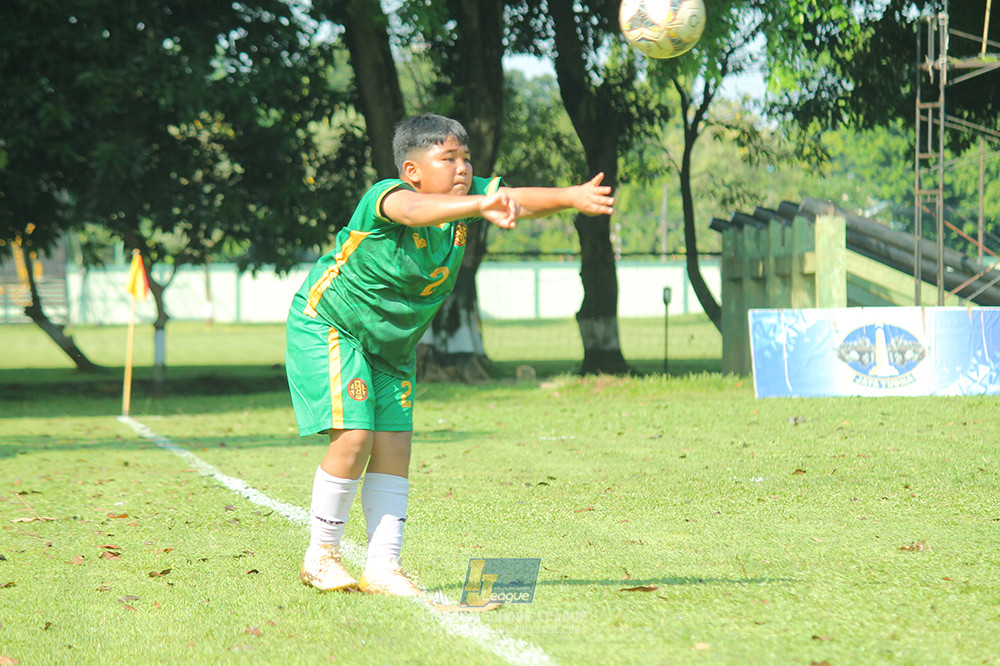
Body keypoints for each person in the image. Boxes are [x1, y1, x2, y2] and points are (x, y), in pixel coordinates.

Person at [286, 113, 614, 596]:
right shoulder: (386, 197)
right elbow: (418, 213)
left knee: (395, 447)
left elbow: (514, 199)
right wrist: (483, 204)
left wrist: (571, 197)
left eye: (466, 158)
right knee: (355, 438)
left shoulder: (470, 198)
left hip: (391, 347)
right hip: (331, 326)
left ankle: (383, 567)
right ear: (412, 171)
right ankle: (322, 556)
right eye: (448, 158)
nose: (462, 167)